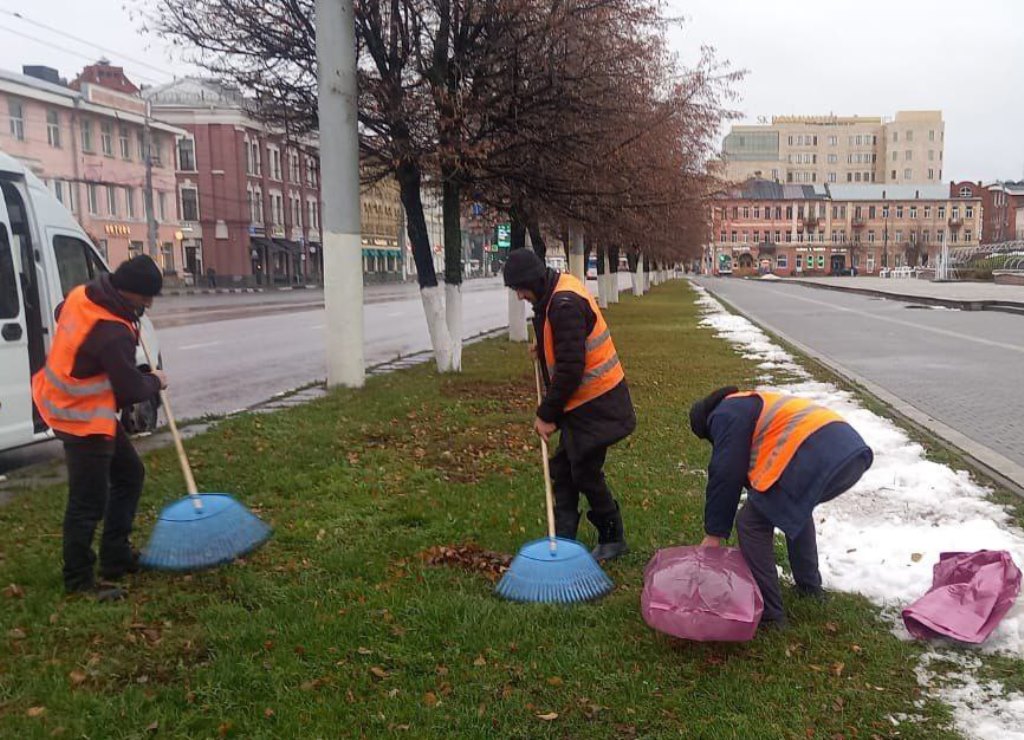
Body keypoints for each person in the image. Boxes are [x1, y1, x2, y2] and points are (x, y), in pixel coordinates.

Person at [32, 255, 168, 600]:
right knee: (87, 501)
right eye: (146, 298)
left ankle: (115, 556)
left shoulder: (83, 294)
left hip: (72, 402)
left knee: (129, 474)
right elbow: (130, 390)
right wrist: (155, 380)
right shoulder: (112, 333)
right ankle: (78, 582)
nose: (148, 304)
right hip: (80, 416)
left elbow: (61, 311)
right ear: (129, 291)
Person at [689, 387, 873, 629]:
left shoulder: (725, 413)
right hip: (850, 455)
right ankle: (809, 587)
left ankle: (769, 613)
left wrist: (714, 533)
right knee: (792, 508)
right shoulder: (751, 403)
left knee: (751, 523)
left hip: (816, 453)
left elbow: (726, 469)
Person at [503, 248, 636, 559]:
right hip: (586, 403)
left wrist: (546, 414)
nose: (520, 296)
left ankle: (612, 535)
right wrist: (546, 348)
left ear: (533, 281)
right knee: (565, 467)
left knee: (583, 469)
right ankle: (563, 537)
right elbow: (565, 345)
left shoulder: (563, 304)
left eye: (520, 288)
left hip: (599, 403)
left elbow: (571, 369)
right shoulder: (554, 292)